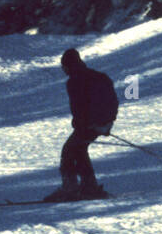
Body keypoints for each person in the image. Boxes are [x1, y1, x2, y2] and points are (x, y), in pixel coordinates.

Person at [45, 48, 118, 201]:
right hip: (102, 122)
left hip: (89, 124)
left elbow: (79, 108)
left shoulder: (75, 81)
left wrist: (84, 124)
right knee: (79, 150)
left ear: (68, 66)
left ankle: (70, 188)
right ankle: (89, 186)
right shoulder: (99, 76)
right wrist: (107, 123)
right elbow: (113, 101)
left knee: (68, 151)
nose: (63, 70)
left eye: (64, 67)